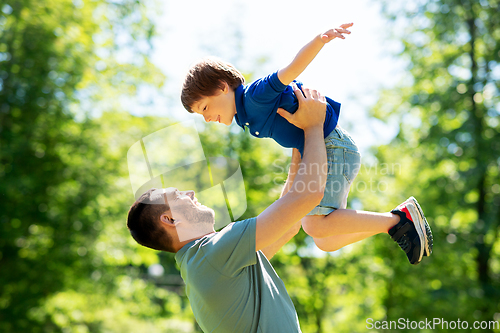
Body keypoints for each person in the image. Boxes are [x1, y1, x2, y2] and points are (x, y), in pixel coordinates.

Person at [127, 86, 433, 332]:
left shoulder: (207, 264)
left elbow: (288, 224)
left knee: (322, 236)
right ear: (169, 218)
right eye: (179, 194)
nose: (191, 192)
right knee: (321, 231)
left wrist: (299, 146)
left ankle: (396, 222)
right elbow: (309, 195)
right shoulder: (212, 253)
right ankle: (398, 220)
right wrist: (313, 128)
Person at [180, 23, 433, 264]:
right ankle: (397, 223)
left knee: (314, 224)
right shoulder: (243, 118)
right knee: (326, 241)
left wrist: (320, 40)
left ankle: (399, 220)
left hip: (333, 146)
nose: (207, 118)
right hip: (321, 149)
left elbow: (291, 69)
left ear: (223, 87)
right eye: (201, 115)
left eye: (205, 108)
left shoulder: (255, 96)